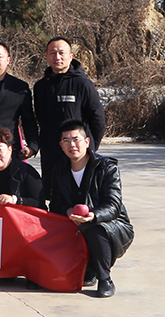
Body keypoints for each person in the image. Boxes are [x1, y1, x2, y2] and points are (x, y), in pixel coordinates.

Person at [44, 120, 134, 298]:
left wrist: (93, 215)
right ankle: (86, 269)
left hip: (112, 225)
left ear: (87, 142)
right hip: (74, 222)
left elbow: (113, 205)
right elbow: (55, 204)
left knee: (94, 228)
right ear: (61, 145)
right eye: (66, 141)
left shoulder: (107, 167)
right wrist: (68, 211)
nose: (72, 145)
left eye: (76, 139)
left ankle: (104, 279)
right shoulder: (59, 170)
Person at [33, 37, 107, 179]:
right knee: (54, 196)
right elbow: (40, 118)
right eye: (53, 53)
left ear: (71, 57)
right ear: (47, 57)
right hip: (51, 154)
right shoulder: (41, 87)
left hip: (77, 154)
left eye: (62, 53)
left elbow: (98, 120)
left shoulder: (83, 84)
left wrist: (89, 147)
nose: (57, 57)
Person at [0, 39, 39, 163]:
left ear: (8, 60)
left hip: (9, 150)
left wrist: (32, 145)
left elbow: (28, 120)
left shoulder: (19, 87)